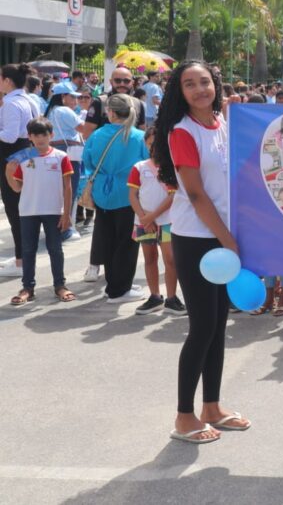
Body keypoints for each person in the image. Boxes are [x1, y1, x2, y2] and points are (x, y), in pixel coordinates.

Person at [152, 60, 250, 444]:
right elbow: (194, 193)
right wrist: (227, 239)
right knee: (202, 328)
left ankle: (212, 407)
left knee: (218, 325)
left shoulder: (221, 124)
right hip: (197, 238)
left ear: (216, 84)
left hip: (222, 236)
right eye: (189, 84)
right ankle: (183, 416)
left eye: (204, 82)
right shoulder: (182, 131)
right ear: (180, 92)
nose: (199, 90)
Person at [82, 94, 149, 303]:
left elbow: (87, 162)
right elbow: (148, 164)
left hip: (102, 192)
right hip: (130, 194)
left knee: (108, 239)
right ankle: (120, 289)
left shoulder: (97, 134)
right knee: (127, 242)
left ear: (110, 112)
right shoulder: (139, 136)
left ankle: (114, 284)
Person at [5, 117, 75, 305]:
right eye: (35, 135)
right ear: (29, 137)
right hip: (28, 210)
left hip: (53, 210)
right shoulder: (23, 157)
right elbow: (17, 188)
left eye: (43, 134)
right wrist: (8, 172)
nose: (40, 138)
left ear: (51, 135)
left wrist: (66, 213)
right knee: (28, 250)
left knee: (55, 249)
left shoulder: (61, 156)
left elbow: (68, 187)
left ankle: (60, 285)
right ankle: (27, 287)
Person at [128, 127, 183, 315]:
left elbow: (172, 195)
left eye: (158, 144)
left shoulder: (171, 167)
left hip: (167, 221)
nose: (154, 148)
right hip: (143, 222)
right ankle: (155, 297)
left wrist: (151, 217)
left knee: (170, 260)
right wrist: (144, 218)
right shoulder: (139, 167)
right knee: (150, 259)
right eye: (151, 144)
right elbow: (132, 195)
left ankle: (172, 298)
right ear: (145, 144)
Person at [0, 63, 41, 278]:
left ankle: (21, 261)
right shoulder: (29, 99)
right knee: (22, 208)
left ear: (7, 80)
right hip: (27, 153)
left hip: (12, 157)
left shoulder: (11, 103)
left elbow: (9, 136)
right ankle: (23, 257)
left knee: (14, 209)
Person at [45, 84, 86, 242]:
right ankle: (65, 229)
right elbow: (84, 128)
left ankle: (58, 227)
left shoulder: (51, 111)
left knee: (58, 192)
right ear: (63, 97)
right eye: (72, 96)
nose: (76, 100)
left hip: (54, 152)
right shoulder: (64, 111)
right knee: (70, 190)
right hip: (69, 153)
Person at [80, 66, 146, 138]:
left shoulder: (138, 104)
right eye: (118, 80)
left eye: (126, 81)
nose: (122, 84)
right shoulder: (100, 102)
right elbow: (87, 133)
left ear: (132, 82)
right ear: (111, 82)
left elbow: (142, 135)